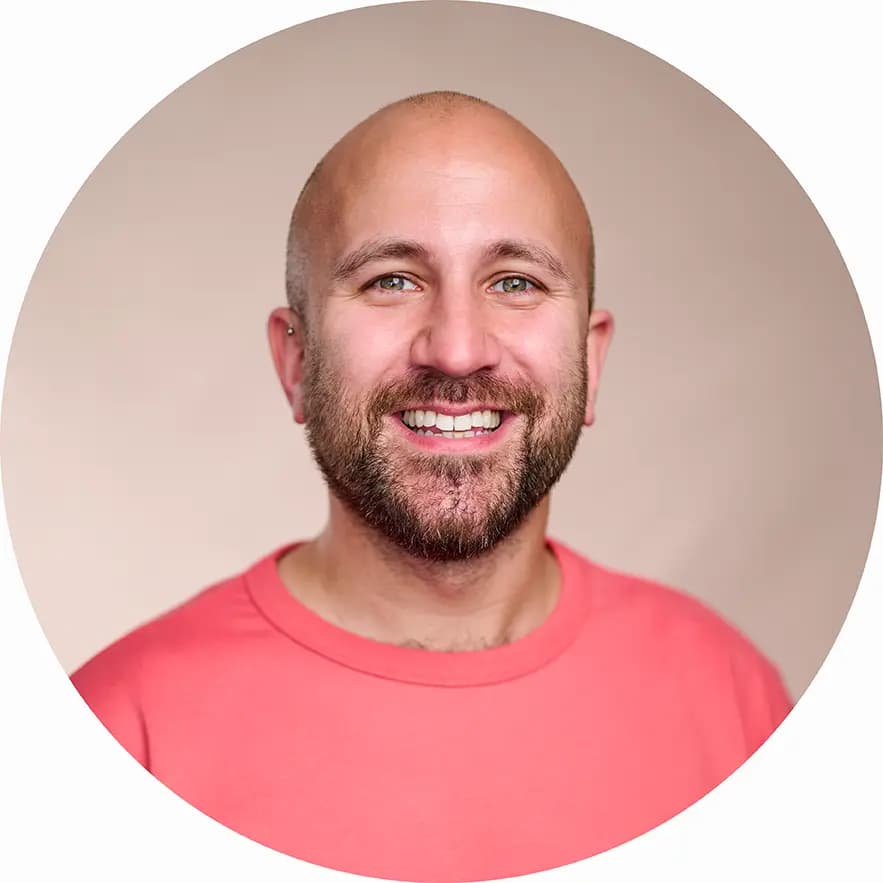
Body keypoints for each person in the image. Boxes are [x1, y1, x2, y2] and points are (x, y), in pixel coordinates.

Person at [72, 91, 792, 882]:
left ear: (592, 365)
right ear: (296, 361)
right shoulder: (113, 737)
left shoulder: (734, 704)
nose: (456, 349)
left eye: (515, 282)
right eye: (391, 280)